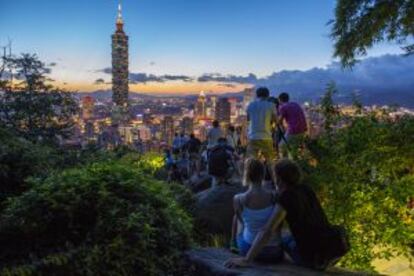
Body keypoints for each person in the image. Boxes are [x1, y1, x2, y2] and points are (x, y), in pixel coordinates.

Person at [225, 159, 349, 270]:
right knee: (285, 236)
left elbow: (267, 230)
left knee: (282, 238)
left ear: (279, 178)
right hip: (325, 246)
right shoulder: (306, 189)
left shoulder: (286, 198)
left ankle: (234, 246)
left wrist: (247, 260)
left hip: (310, 258)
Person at [230, 158, 283, 262]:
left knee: (237, 218)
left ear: (247, 175)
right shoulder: (274, 196)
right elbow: (279, 225)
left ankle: (233, 244)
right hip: (275, 252)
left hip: (248, 248)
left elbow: (241, 221)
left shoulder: (238, 199)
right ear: (263, 174)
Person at [246, 87, 277, 162]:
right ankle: (271, 173)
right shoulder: (271, 105)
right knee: (270, 161)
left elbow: (248, 119)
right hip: (266, 136)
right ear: (268, 95)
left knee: (251, 162)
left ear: (257, 95)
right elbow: (275, 120)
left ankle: (252, 173)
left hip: (253, 136)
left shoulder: (250, 105)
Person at [278, 93, 307, 159]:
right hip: (303, 130)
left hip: (293, 131)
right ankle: (294, 164)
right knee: (294, 149)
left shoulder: (283, 107)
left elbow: (279, 121)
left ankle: (285, 164)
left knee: (282, 146)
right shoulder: (296, 104)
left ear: (280, 100)